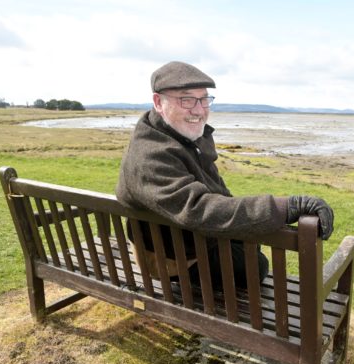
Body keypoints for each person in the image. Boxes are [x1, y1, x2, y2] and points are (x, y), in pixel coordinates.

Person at [116, 61, 334, 288]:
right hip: (175, 260)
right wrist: (288, 207)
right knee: (256, 264)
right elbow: (200, 208)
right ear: (158, 102)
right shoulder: (152, 155)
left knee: (249, 244)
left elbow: (217, 191)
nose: (199, 110)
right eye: (187, 99)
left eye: (204, 99)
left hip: (180, 243)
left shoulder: (170, 135)